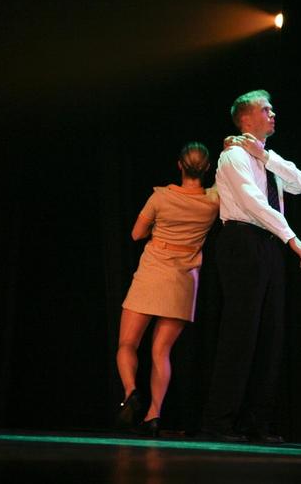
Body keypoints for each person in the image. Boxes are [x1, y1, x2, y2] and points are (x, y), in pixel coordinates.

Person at [198, 89, 301, 443]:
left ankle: (256, 421)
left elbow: (300, 183)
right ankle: (218, 421)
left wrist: (266, 156)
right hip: (243, 241)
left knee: (269, 335)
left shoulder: (263, 157)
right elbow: (253, 203)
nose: (273, 114)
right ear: (246, 118)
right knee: (240, 334)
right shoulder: (232, 156)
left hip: (267, 244)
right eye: (266, 109)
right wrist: (292, 238)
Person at [116, 142, 220, 437]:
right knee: (161, 351)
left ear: (179, 165)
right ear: (207, 168)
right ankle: (154, 415)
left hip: (152, 273)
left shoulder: (160, 197)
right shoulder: (214, 201)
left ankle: (131, 392)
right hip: (182, 280)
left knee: (127, 344)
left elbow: (136, 234)